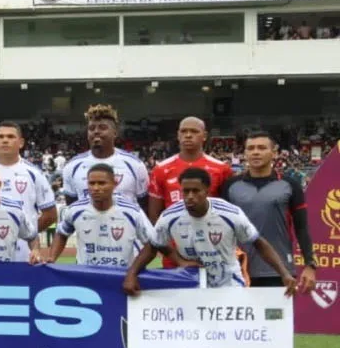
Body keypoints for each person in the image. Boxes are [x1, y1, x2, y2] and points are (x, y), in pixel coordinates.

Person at [124, 167, 298, 348]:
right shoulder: (170, 216)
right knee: (187, 343)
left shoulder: (230, 214)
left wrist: (284, 273)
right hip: (193, 289)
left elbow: (259, 243)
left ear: (207, 191)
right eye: (185, 191)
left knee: (243, 344)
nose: (190, 196)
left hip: (229, 285)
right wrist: (135, 273)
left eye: (196, 191)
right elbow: (154, 245)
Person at [223, 131, 319, 348]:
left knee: (275, 337)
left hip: (279, 273)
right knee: (240, 336)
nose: (255, 152)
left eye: (261, 148)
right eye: (250, 148)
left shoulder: (289, 185)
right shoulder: (230, 186)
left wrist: (310, 265)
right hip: (238, 272)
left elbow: (301, 227)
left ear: (274, 152)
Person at [146, 117, 233, 268]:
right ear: (178, 135)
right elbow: (155, 218)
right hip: (175, 254)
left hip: (213, 249)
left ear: (204, 136)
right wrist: (170, 252)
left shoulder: (221, 169)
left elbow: (229, 214)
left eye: (194, 131)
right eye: (184, 131)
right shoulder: (160, 169)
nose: (188, 135)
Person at [44, 165, 156, 267]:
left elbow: (151, 245)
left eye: (102, 183)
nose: (96, 188)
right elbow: (62, 234)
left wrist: (133, 271)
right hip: (87, 276)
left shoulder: (132, 211)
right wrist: (52, 258)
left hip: (122, 276)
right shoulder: (75, 210)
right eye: (91, 183)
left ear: (115, 184)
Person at [0, 121, 56, 258]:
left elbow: (50, 215)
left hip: (25, 252)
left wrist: (25, 232)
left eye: (10, 137)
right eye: (0, 137)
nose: (5, 140)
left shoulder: (34, 173)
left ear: (21, 143)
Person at [60, 105, 148, 205]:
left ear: (115, 133)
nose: (96, 131)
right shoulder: (72, 166)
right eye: (91, 128)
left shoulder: (135, 165)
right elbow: (72, 208)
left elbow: (144, 207)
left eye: (102, 127)